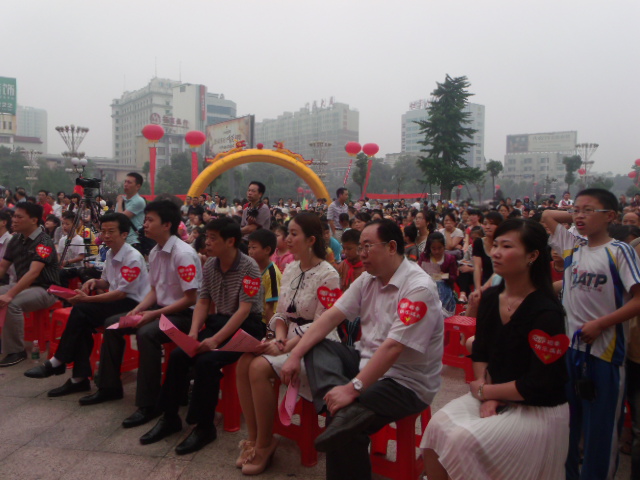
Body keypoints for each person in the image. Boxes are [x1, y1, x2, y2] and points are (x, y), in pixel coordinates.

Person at [280, 219, 444, 480]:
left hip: (406, 381)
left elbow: (393, 347)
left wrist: (352, 388)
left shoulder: (418, 287)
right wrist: (295, 354)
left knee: (344, 425)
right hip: (367, 362)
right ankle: (340, 408)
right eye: (360, 247)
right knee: (318, 347)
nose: (360, 254)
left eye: (367, 246)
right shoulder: (368, 279)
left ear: (392, 247)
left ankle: (342, 412)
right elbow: (331, 316)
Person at [421, 218, 569, 480]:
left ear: (532, 256)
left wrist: (485, 391)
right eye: (496, 245)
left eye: (507, 246)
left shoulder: (547, 312)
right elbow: (481, 350)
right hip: (495, 391)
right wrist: (485, 390)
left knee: (463, 440)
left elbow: (538, 383)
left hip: (536, 406)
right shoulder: (490, 298)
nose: (496, 252)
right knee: (436, 429)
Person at [140, 217, 265, 454]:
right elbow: (203, 302)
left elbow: (244, 310)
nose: (206, 242)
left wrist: (215, 340)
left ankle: (204, 426)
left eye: (212, 238)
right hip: (220, 322)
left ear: (230, 241)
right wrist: (193, 332)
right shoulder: (210, 266)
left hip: (247, 327)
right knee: (179, 355)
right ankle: (169, 417)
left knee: (207, 361)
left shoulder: (249, 267)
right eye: (207, 237)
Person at [542, 189, 640, 480]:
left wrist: (601, 324)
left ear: (610, 216)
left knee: (601, 432)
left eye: (588, 210)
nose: (579, 216)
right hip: (572, 352)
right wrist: (577, 211)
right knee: (568, 427)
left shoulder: (619, 251)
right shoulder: (572, 246)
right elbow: (547, 215)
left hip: (605, 355)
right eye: (576, 210)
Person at [79, 200, 202, 429]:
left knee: (147, 333)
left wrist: (153, 315)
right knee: (113, 324)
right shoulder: (155, 252)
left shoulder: (183, 253)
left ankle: (149, 403)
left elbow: (191, 299)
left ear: (166, 224)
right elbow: (154, 291)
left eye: (150, 220)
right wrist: (138, 310)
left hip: (184, 315)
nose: (144, 224)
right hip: (160, 310)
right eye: (145, 220)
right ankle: (109, 387)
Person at [235, 212, 340, 475]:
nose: (287, 239)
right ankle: (255, 438)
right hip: (289, 337)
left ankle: (265, 444)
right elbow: (281, 313)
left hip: (318, 344)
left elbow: (322, 324)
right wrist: (280, 338)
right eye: (288, 233)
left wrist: (287, 345)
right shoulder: (291, 267)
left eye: (294, 234)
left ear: (311, 240)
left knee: (258, 368)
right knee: (243, 363)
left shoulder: (329, 274)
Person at [23, 213, 150, 395]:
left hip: (132, 304)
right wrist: (94, 282)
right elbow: (107, 282)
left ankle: (59, 362)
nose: (106, 236)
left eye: (111, 231)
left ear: (124, 234)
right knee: (81, 321)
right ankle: (78, 379)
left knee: (81, 310)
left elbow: (121, 293)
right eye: (103, 231)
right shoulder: (111, 253)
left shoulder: (133, 257)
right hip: (118, 300)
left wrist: (86, 299)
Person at [0, 203, 60, 367]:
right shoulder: (16, 239)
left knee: (11, 303)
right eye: (14, 216)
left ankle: (16, 351)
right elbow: (3, 266)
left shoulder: (44, 242)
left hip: (45, 289)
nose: (14, 220)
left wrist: (9, 294)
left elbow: (34, 273)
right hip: (23, 286)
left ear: (34, 220)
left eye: (19, 217)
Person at [419, 232, 458, 317]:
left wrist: (444, 276)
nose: (437, 251)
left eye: (439, 248)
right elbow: (417, 272)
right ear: (429, 248)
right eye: (433, 249)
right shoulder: (424, 257)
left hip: (444, 289)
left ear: (444, 246)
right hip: (426, 286)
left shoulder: (449, 259)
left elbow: (454, 276)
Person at [248, 228, 281, 324]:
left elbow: (269, 307)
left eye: (254, 248)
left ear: (267, 250)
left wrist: (269, 330)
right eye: (249, 247)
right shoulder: (249, 267)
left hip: (262, 320)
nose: (250, 251)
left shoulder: (272, 273)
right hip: (249, 314)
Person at [473, 211, 503, 291]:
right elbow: (477, 267)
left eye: (492, 224)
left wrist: (485, 288)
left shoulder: (504, 244)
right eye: (485, 224)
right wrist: (477, 289)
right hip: (484, 281)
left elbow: (500, 269)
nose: (487, 227)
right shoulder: (479, 242)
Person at [115, 172, 146, 248]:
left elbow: (121, 218)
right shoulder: (122, 200)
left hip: (133, 241)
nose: (126, 184)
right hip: (121, 241)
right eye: (125, 182)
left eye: (129, 182)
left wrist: (119, 202)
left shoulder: (139, 201)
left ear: (138, 186)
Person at [57, 211, 86, 288]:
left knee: (62, 273)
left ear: (75, 225)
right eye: (63, 224)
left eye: (67, 224)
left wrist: (67, 262)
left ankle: (64, 290)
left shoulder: (79, 240)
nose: (64, 226)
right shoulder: (62, 240)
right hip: (64, 266)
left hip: (76, 267)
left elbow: (81, 257)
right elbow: (59, 254)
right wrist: (60, 263)